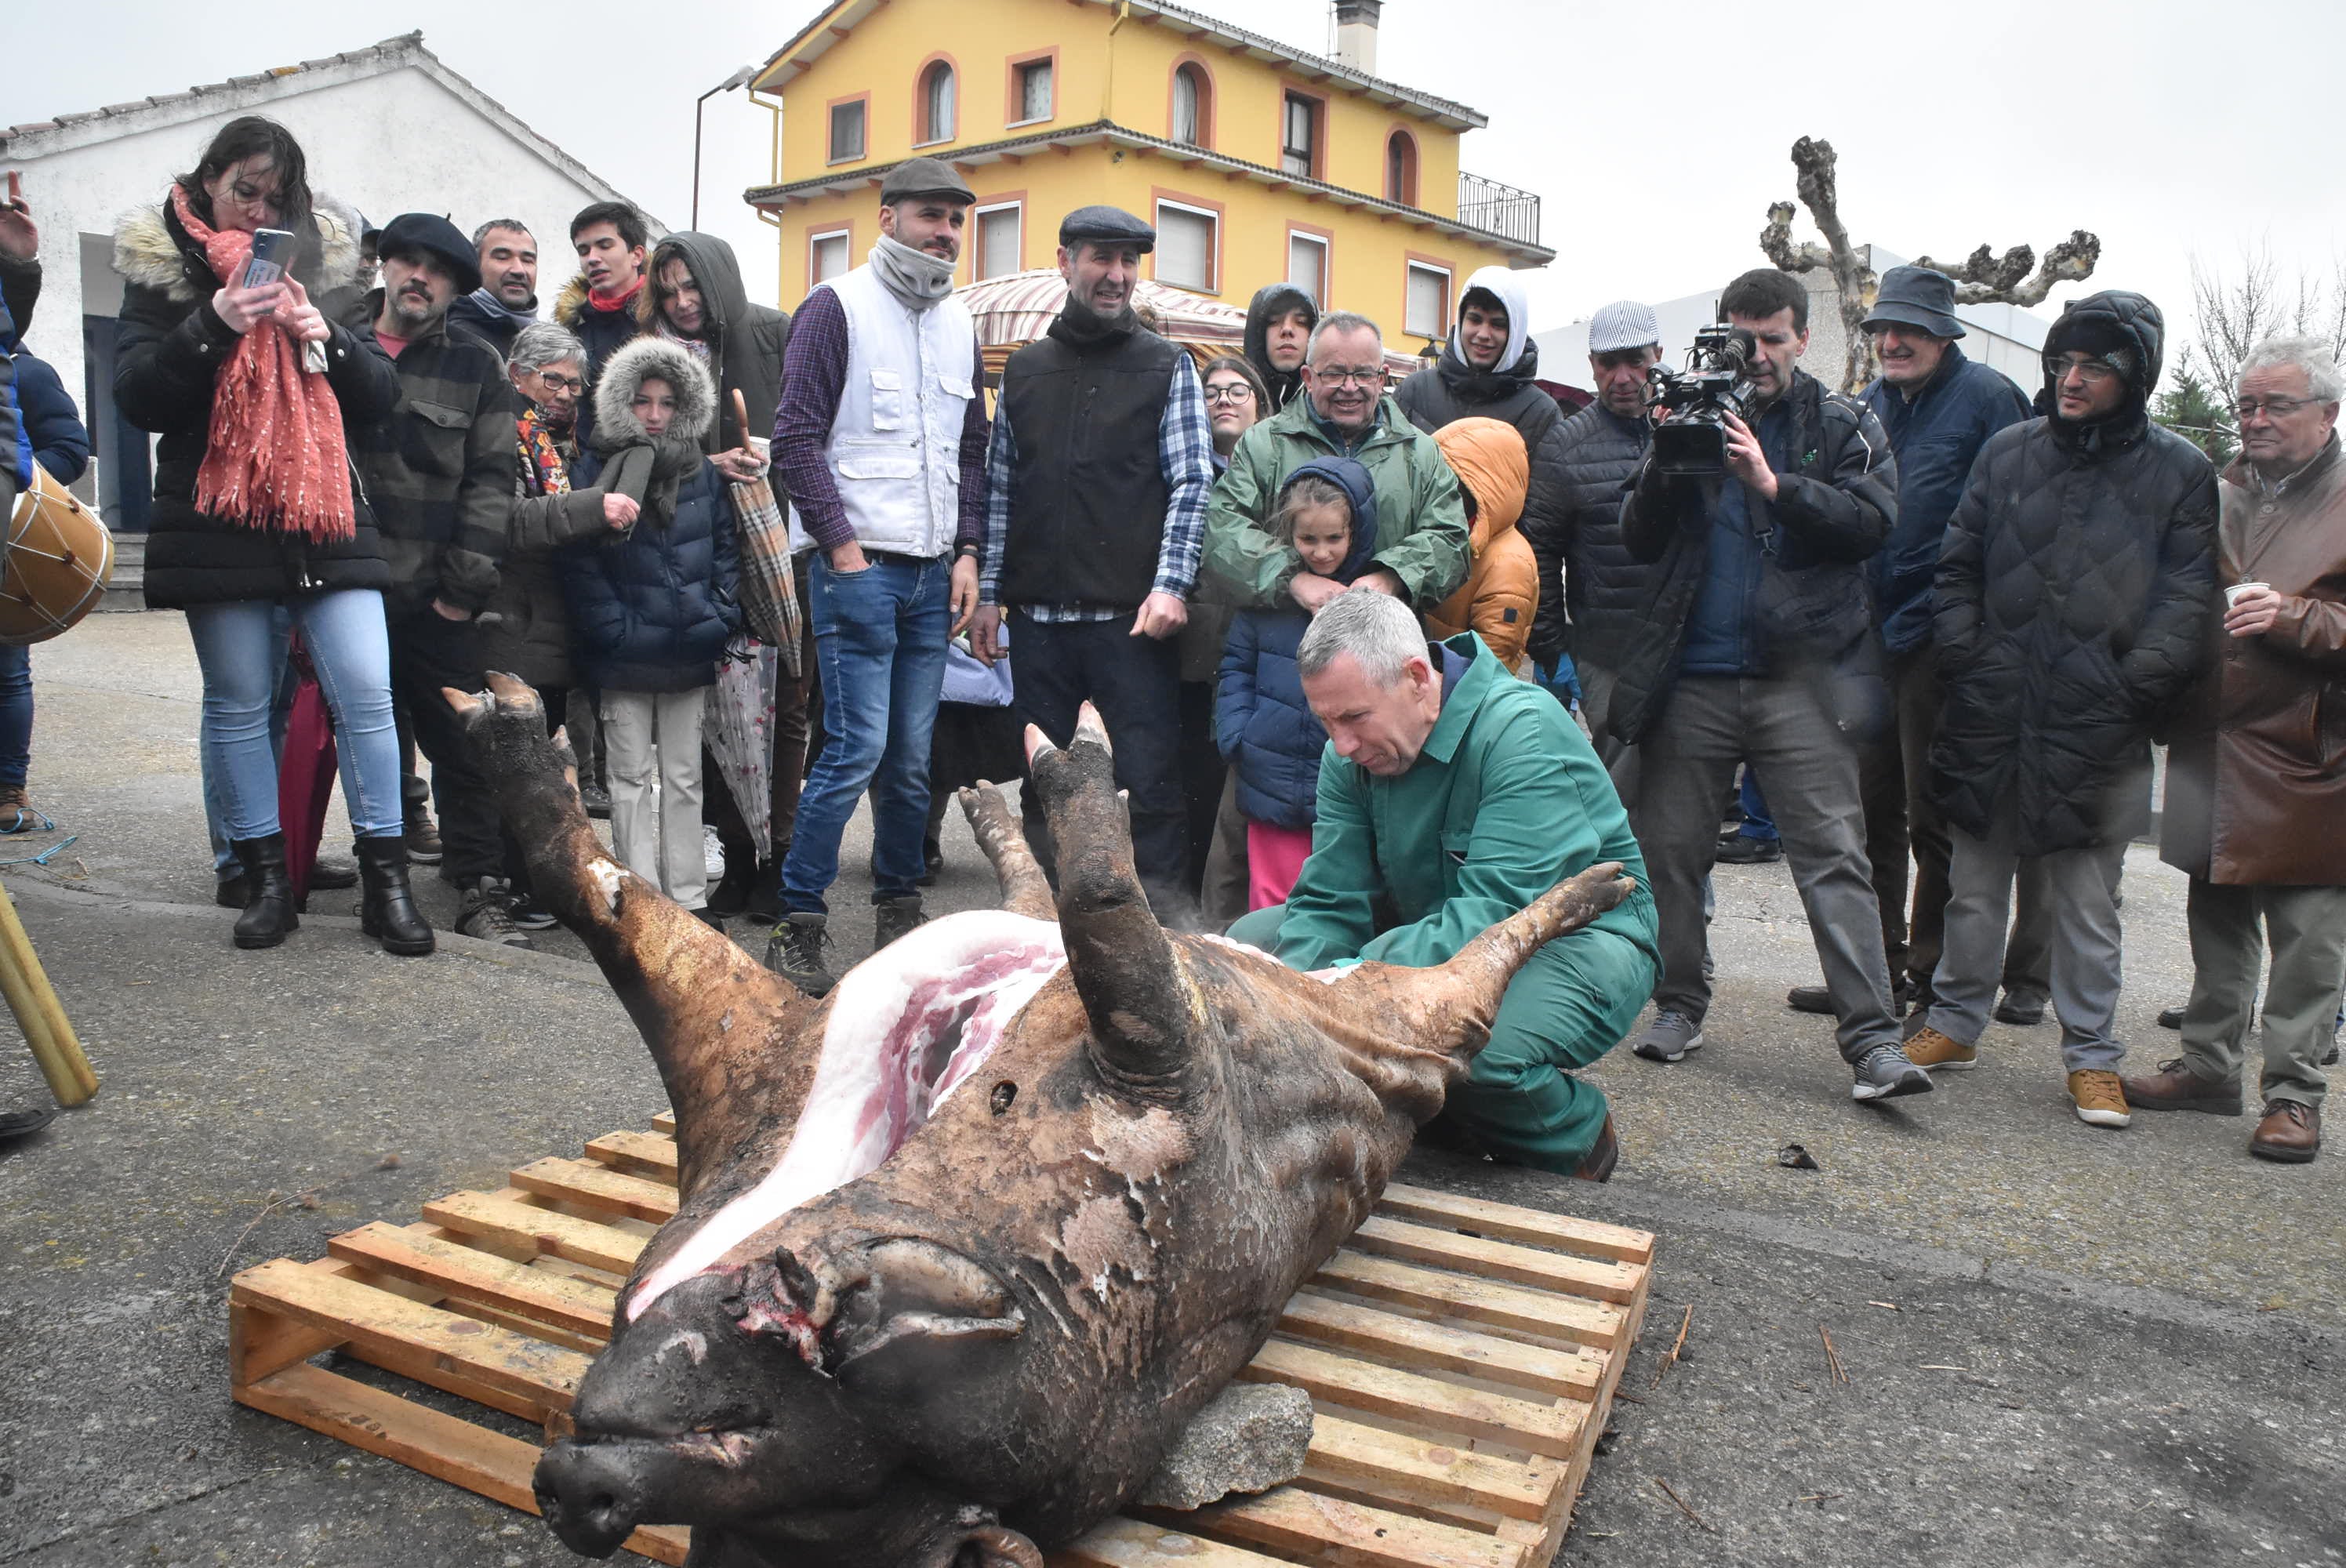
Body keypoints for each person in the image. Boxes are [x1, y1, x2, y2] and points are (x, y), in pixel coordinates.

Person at [111, 116, 428, 954]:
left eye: (274, 196)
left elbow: (378, 397)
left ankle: (386, 884)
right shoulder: (161, 270)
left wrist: (329, 339)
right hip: (219, 518)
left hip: (325, 512)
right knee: (240, 701)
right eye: (243, 189)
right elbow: (139, 397)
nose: (257, 208)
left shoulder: (317, 270)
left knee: (366, 687)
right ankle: (263, 882)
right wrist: (213, 322)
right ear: (208, 181)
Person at [1902, 291, 2216, 1130]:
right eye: (2061, 362)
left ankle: (2092, 1057)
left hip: (2096, 723)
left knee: (2087, 902)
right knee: (1973, 885)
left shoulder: (2181, 472)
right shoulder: (2008, 453)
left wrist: (2124, 690)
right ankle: (1955, 1023)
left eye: (2093, 367)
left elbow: (2188, 604)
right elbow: (1956, 566)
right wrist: (1968, 660)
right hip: (1991, 708)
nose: (2070, 380)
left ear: (2134, 375)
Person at [1615, 268, 1923, 1102]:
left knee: (1833, 859)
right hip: (1696, 677)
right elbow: (1637, 540)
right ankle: (1677, 1005)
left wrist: (1772, 484)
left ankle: (1872, 1041)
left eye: (1770, 340)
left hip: (1803, 678)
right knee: (1671, 853)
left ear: (1802, 338)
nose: (1751, 357)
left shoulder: (1842, 421)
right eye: (1738, 338)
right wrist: (1663, 459)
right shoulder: (1688, 412)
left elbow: (1872, 524)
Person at [1227, 589, 1658, 1178]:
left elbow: (1492, 918)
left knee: (1473, 1054)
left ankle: (1576, 1137)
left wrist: (1333, 988)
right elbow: (1330, 896)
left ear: (1416, 678)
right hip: (1426, 922)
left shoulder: (1523, 733)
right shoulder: (1350, 753)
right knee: (1256, 941)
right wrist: (1289, 985)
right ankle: (1439, 1120)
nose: (1341, 744)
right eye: (1326, 721)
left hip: (1572, 938)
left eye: (1354, 717)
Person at [1783, 266, 2043, 1022]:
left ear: (1943, 333)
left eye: (1911, 329)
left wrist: (1973, 629)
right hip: (1866, 636)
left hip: (1945, 637)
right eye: (1884, 329)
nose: (1893, 341)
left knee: (1938, 817)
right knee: (1868, 813)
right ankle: (1873, 970)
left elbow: (2014, 527)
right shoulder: (1863, 405)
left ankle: (1935, 975)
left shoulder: (1992, 401)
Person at [2123, 336, 2345, 1162]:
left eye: (2274, 405)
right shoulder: (2219, 487)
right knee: (2213, 920)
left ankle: (2293, 1094)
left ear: (2327, 414)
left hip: (2309, 753)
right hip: (2213, 742)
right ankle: (2210, 1069)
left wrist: (2294, 615)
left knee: (2307, 940)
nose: (2253, 419)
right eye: (2247, 404)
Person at [768, 158, 987, 992]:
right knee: (855, 747)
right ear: (888, 217)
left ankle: (898, 911)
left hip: (933, 572)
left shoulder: (959, 320)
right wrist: (841, 547)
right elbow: (793, 440)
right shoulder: (835, 306)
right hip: (857, 568)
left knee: (911, 756)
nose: (945, 232)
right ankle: (800, 920)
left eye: (956, 220)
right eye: (931, 215)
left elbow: (971, 448)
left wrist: (968, 550)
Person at [971, 204, 1214, 917]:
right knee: (1046, 791)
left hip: (1131, 628)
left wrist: (1171, 585)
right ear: (1065, 262)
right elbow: (999, 490)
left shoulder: (1167, 366)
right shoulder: (1025, 370)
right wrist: (989, 595)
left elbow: (1192, 482)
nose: (1115, 275)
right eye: (1100, 258)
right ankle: (1054, 941)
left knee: (1148, 789)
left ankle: (1169, 939)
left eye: (1128, 261)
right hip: (1040, 627)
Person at [347, 213, 525, 948]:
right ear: (386, 266)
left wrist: (463, 589)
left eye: (440, 270)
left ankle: (477, 887)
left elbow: (491, 485)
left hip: (434, 594)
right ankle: (365, 882)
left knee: (464, 744)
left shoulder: (478, 366)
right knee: (361, 743)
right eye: (409, 262)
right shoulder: (331, 340)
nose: (421, 278)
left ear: (456, 286)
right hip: (342, 586)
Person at [564, 338, 740, 919]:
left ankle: (689, 901)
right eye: (642, 401)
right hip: (623, 653)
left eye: (668, 402)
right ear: (621, 403)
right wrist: (613, 630)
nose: (656, 415)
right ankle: (640, 903)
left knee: (686, 777)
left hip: (691, 643)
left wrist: (719, 613)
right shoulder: (594, 466)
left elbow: (725, 549)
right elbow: (582, 561)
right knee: (629, 779)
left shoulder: (700, 472)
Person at [643, 230, 792, 914]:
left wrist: (775, 457)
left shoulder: (775, 332)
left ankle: (780, 860)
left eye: (691, 284)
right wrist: (704, 467)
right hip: (698, 546)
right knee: (717, 714)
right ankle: (735, 856)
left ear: (719, 278)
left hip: (781, 541)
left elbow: (814, 431)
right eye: (667, 288)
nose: (681, 300)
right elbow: (638, 449)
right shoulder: (658, 353)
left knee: (783, 708)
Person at [479, 321, 637, 928]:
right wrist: (590, 508)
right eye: (555, 381)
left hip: (547, 619)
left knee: (543, 758)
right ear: (518, 375)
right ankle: (509, 884)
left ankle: (530, 880)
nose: (567, 394)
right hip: (512, 615)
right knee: (516, 760)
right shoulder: (503, 429)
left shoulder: (559, 440)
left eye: (576, 384)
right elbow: (507, 519)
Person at [1203, 311, 1472, 623]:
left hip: (1387, 643)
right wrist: (1293, 580)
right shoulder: (1263, 445)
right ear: (1308, 377)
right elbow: (1222, 527)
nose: (1349, 387)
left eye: (1363, 374)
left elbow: (1451, 540)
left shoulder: (1421, 452)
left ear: (1382, 378)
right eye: (1334, 374)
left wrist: (1391, 578)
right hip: (1284, 643)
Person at [1218, 458, 1384, 909]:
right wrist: (1237, 735)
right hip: (1267, 767)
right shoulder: (1266, 601)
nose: (1322, 552)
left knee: (1336, 893)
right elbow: (1235, 667)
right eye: (1307, 539)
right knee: (1269, 896)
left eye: (1334, 538)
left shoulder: (1374, 601)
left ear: (1357, 531)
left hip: (1340, 772)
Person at [1394, 268, 1567, 652]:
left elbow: (1540, 520)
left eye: (1498, 324)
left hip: (1489, 587)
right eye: (1474, 319)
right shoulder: (1415, 391)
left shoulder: (1539, 412)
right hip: (1411, 575)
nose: (1483, 334)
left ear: (1516, 330)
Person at [1538, 299, 1663, 797]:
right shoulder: (1565, 445)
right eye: (1608, 363)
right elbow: (1540, 553)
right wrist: (1551, 650)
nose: (1623, 376)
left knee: (1684, 806)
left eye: (1635, 360)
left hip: (1692, 653)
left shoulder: (1690, 430)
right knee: (1623, 796)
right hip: (1607, 654)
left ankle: (1684, 881)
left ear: (1658, 353)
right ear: (1591, 365)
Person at [0, 314, 91, 823]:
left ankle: (10, 793)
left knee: (9, 673)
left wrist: (12, 481)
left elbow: (72, 450)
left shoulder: (28, 374)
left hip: (12, 538)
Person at [1194, 354, 1274, 927]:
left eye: (1238, 390)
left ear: (1262, 403)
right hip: (1193, 655)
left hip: (1254, 650)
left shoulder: (1279, 471)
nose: (1224, 399)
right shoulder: (1186, 471)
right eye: (1212, 391)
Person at [1422, 418, 1538, 673]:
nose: (1437, 492)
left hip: (1454, 698)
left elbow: (1491, 666)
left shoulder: (1508, 563)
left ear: (1484, 489)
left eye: (1449, 482)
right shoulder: (1455, 534)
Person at [557, 201, 652, 444]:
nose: (592, 259)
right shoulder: (571, 330)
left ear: (636, 255)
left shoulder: (665, 320)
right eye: (583, 250)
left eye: (604, 246)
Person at [446, 219, 539, 357]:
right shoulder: (454, 338)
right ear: (476, 265)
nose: (519, 270)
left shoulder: (546, 338)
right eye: (502, 257)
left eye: (527, 260)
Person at [1243, 281, 1318, 411]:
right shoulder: (1230, 402)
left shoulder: (1330, 408)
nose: (1287, 329)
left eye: (1301, 322)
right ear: (1258, 333)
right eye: (1274, 321)